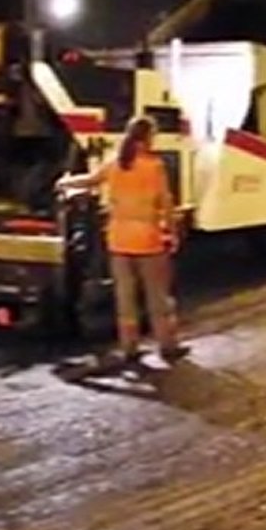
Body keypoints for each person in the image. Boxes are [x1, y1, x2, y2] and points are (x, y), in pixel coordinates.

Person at [55, 115, 185, 367]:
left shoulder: (114, 163)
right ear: (147, 138)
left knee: (125, 298)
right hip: (148, 239)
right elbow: (166, 203)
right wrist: (172, 231)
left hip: (118, 240)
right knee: (157, 296)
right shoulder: (154, 166)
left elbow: (91, 180)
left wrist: (64, 181)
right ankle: (167, 346)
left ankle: (129, 347)